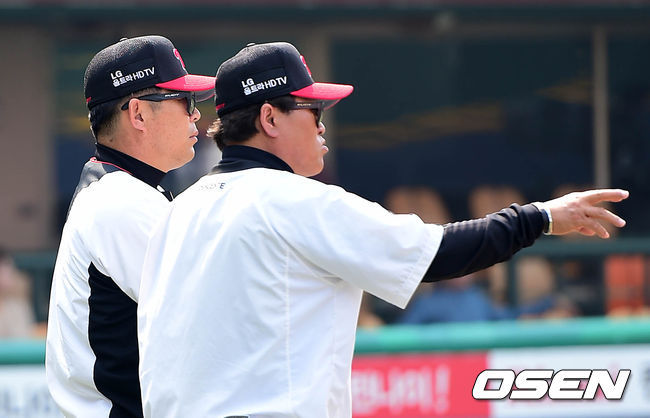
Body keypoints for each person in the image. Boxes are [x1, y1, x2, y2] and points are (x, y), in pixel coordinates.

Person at [137, 41, 629, 418]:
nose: (322, 125)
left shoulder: (178, 211)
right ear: (269, 117)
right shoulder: (293, 200)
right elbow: (437, 254)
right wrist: (542, 216)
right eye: (313, 110)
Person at [45, 35, 215, 418]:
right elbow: (215, 319)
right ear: (137, 114)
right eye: (185, 101)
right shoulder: (120, 198)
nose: (196, 115)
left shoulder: (120, 187)